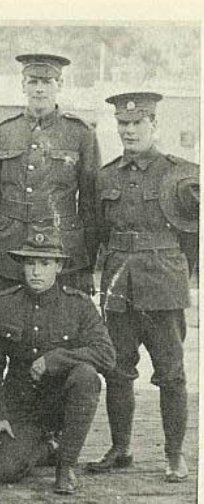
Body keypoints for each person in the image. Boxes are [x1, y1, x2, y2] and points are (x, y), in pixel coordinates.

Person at [88, 92, 199, 482]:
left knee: (170, 373)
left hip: (163, 286)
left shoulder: (181, 174)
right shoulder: (106, 175)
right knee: (117, 371)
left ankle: (173, 455)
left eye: (137, 123)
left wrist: (178, 275)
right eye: (123, 124)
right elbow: (98, 233)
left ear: (154, 125)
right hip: (118, 285)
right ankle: (121, 449)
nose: (129, 130)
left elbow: (194, 238)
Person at [0, 226, 115, 494]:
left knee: (86, 376)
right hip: (21, 405)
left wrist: (56, 358)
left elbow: (106, 355)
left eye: (44, 264)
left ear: (58, 267)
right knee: (5, 471)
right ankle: (48, 447)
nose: (36, 271)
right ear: (22, 266)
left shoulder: (78, 305)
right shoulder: (3, 304)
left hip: (60, 403)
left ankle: (66, 464)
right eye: (30, 263)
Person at [0, 54, 100, 294]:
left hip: (60, 247)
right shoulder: (4, 132)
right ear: (22, 85)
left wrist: (86, 259)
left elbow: (90, 202)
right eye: (33, 81)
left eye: (47, 82)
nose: (39, 89)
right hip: (9, 244)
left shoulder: (80, 133)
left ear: (60, 85)